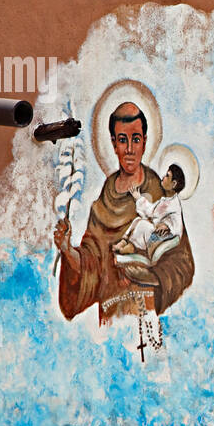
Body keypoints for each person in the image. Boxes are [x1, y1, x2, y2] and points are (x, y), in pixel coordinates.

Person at [54, 102, 195, 320]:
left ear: (145, 142)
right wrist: (67, 250)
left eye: (136, 139)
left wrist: (149, 276)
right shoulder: (103, 203)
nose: (129, 149)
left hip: (143, 308)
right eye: (122, 140)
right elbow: (91, 268)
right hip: (110, 315)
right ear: (113, 144)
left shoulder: (160, 193)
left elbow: (182, 263)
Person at [112, 164, 186, 262]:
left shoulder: (174, 204)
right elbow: (151, 211)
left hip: (159, 238)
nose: (163, 177)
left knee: (142, 224)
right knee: (137, 220)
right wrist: (138, 197)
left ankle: (130, 248)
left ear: (174, 184)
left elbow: (177, 227)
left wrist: (167, 226)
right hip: (154, 230)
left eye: (167, 176)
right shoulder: (165, 200)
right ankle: (123, 242)